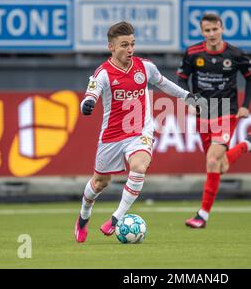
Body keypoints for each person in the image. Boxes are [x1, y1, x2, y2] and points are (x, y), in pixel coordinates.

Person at [74, 21, 206, 243]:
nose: (129, 49)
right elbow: (91, 95)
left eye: (132, 44)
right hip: (112, 136)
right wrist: (86, 105)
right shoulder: (103, 73)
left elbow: (164, 84)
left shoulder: (145, 67)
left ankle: (116, 218)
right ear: (112, 47)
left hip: (140, 131)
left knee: (139, 167)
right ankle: (83, 218)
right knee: (99, 183)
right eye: (124, 44)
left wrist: (188, 97)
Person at [177, 13, 251, 229]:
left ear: (222, 28)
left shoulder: (235, 54)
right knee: (220, 165)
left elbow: (250, 77)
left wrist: (246, 105)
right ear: (202, 32)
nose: (212, 34)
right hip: (203, 112)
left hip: (227, 110)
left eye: (215, 29)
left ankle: (202, 215)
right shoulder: (192, 53)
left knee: (213, 161)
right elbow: (182, 77)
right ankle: (247, 144)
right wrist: (189, 99)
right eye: (207, 31)